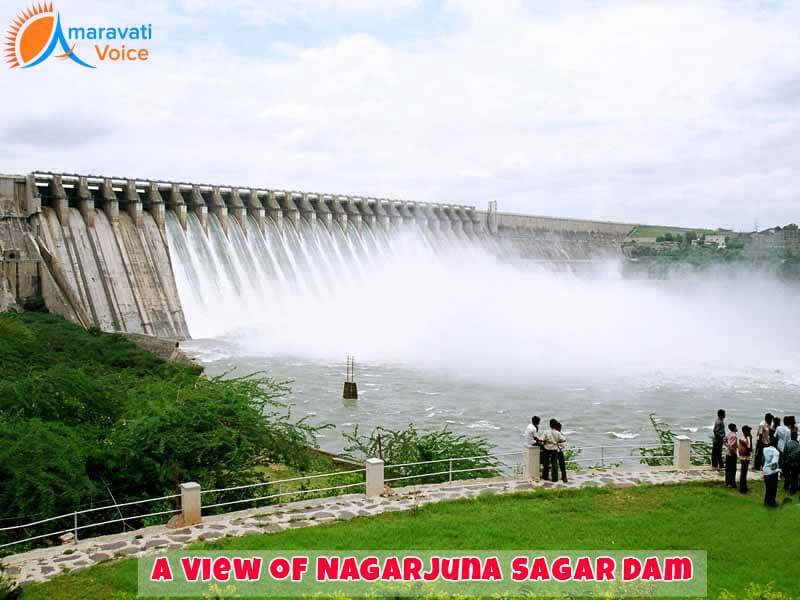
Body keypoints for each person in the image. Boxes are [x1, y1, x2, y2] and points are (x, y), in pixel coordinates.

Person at [762, 437, 780, 508]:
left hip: (765, 470)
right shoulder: (776, 452)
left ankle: (766, 501)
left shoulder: (764, 449)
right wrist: (777, 470)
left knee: (768, 487)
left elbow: (763, 460)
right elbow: (774, 464)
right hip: (772, 472)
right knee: (773, 488)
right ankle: (772, 502)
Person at [783, 429, 799, 495]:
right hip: (795, 463)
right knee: (794, 477)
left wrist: (785, 460)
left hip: (787, 462)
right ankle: (793, 489)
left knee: (787, 476)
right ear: (796, 437)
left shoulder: (787, 443)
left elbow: (784, 453)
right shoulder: (798, 445)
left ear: (791, 436)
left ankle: (786, 487)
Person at [738, 425, 752, 494]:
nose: (750, 432)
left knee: (743, 473)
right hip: (744, 457)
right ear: (746, 432)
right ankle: (743, 488)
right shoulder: (744, 440)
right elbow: (749, 449)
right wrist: (751, 440)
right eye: (749, 431)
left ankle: (744, 487)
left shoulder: (743, 438)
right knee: (744, 473)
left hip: (743, 457)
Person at [725, 423, 738, 488]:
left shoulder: (729, 434)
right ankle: (731, 483)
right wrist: (734, 452)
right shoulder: (734, 436)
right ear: (734, 428)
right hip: (731, 454)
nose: (737, 428)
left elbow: (726, 440)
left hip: (728, 453)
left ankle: (727, 482)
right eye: (736, 427)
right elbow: (730, 445)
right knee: (732, 469)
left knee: (728, 469)